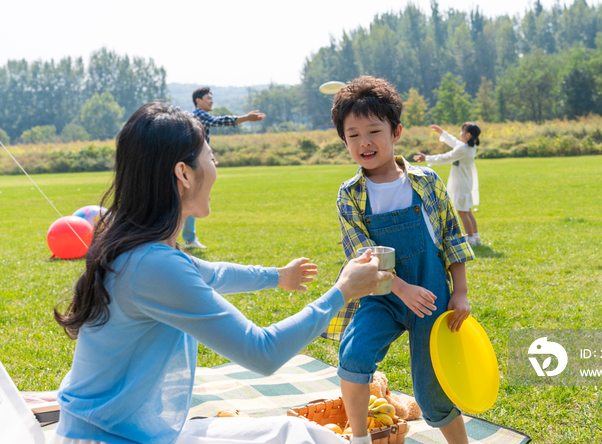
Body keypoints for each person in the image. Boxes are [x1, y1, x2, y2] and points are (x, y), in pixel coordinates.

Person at [51, 102, 392, 444]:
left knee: (298, 433)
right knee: (303, 439)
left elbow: (212, 274)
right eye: (210, 157)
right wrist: (343, 292)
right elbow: (263, 352)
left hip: (121, 432)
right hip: (107, 439)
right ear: (183, 174)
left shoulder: (143, 251)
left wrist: (278, 276)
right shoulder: (152, 265)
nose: (216, 166)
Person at [325, 76, 475, 444]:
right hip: (382, 298)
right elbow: (362, 254)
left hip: (432, 300)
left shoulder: (426, 181)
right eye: (353, 134)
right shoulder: (350, 195)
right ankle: (360, 439)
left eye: (374, 131)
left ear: (396, 132)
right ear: (344, 141)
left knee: (432, 393)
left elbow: (452, 238)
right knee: (354, 357)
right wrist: (400, 288)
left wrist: (461, 293)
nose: (364, 142)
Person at [183, 86, 266, 249]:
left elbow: (200, 142)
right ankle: (188, 239)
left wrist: (209, 157)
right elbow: (218, 121)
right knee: (190, 199)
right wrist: (246, 118)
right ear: (198, 101)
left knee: (189, 198)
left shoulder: (197, 117)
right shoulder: (199, 115)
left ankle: (188, 238)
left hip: (194, 162)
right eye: (208, 98)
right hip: (193, 164)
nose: (211, 100)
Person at [414, 123, 481, 246]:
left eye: (462, 131)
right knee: (468, 210)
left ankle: (470, 238)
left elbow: (445, 157)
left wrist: (427, 158)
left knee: (463, 212)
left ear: (468, 135)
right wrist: (442, 132)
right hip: (466, 182)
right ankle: (475, 236)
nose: (460, 133)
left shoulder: (463, 149)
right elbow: (454, 141)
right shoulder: (468, 147)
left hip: (461, 183)